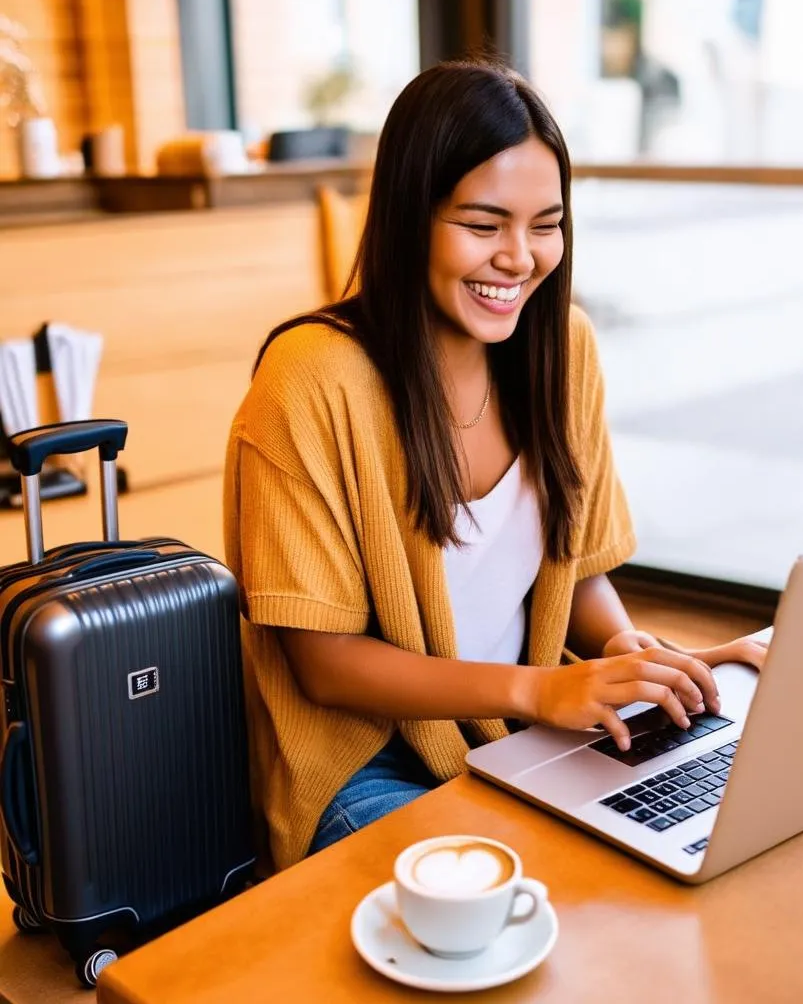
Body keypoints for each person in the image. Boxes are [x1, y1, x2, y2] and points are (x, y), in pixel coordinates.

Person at [223, 59, 766, 873]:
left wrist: (629, 651)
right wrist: (538, 691)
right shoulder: (310, 380)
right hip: (366, 765)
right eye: (484, 225)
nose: (519, 258)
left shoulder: (561, 347)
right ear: (411, 219)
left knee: (699, 847)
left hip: (516, 728)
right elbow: (325, 667)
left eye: (545, 224)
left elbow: (572, 575)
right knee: (532, 896)